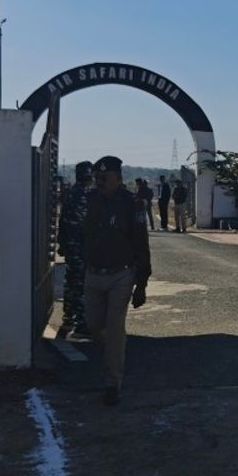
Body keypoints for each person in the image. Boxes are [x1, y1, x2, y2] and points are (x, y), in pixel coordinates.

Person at [83, 156, 152, 405]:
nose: (100, 181)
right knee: (93, 325)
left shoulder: (132, 204)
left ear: (119, 179)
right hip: (93, 273)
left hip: (121, 275)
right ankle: (115, 349)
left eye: (105, 177)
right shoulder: (89, 200)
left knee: (114, 327)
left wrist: (141, 284)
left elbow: (141, 243)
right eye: (97, 177)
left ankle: (113, 382)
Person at [57, 161, 94, 339]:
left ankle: (68, 317)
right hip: (82, 246)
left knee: (71, 281)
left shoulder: (71, 192)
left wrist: (62, 243)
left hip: (71, 244)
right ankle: (81, 324)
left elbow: (63, 219)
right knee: (81, 284)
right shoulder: (87, 195)